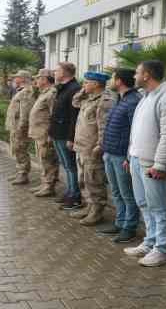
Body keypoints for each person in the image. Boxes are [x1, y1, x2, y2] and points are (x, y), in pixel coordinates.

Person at [123, 60, 166, 267]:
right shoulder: (146, 97)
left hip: (153, 164)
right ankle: (149, 242)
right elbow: (137, 130)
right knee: (143, 203)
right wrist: (129, 155)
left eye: (137, 73)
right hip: (137, 159)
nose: (134, 76)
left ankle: (161, 249)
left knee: (159, 207)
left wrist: (160, 164)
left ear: (147, 75)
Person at [98, 68, 142, 243]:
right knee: (116, 191)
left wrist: (128, 157)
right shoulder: (120, 99)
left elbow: (134, 132)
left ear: (119, 81)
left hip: (121, 155)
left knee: (127, 193)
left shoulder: (133, 101)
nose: (110, 81)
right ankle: (120, 222)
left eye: (113, 78)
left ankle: (129, 227)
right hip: (110, 152)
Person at [69, 71, 113, 226]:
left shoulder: (104, 101)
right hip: (81, 146)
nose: (83, 85)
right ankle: (89, 206)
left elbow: (104, 127)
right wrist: (84, 90)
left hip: (92, 148)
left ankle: (97, 211)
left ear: (95, 84)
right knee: (83, 179)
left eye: (86, 82)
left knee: (94, 180)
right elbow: (74, 102)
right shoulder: (88, 98)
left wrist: (100, 145)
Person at [49, 62, 82, 209]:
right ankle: (69, 191)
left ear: (65, 72)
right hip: (58, 133)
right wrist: (51, 132)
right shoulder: (63, 88)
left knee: (70, 166)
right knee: (66, 165)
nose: (54, 73)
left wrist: (71, 138)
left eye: (57, 70)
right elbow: (56, 113)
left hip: (65, 135)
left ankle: (75, 195)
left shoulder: (74, 89)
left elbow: (74, 117)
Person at [28, 69, 58, 197]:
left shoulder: (52, 93)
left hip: (45, 134)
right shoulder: (44, 93)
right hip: (39, 133)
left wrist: (51, 134)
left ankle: (49, 186)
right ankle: (44, 183)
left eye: (38, 78)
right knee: (43, 159)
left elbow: (54, 115)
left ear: (45, 79)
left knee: (48, 160)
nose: (36, 81)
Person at [5, 70, 37, 185]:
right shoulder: (21, 91)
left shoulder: (26, 92)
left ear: (23, 79)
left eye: (16, 77)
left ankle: (23, 174)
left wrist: (21, 127)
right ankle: (20, 171)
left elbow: (25, 112)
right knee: (17, 149)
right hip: (16, 126)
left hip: (20, 127)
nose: (14, 79)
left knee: (20, 149)